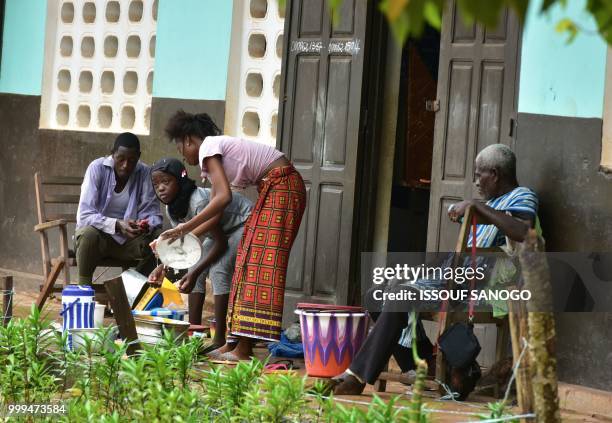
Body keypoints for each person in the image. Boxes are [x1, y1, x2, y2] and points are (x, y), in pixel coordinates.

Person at [332, 143, 539, 396]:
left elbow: (523, 232)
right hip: (455, 277)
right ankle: (425, 364)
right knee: (375, 295)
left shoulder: (523, 196)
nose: (475, 182)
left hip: (480, 287)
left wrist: (476, 207)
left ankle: (357, 376)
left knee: (400, 296)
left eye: (479, 175)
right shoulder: (492, 202)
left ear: (495, 174)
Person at [161, 111, 306, 361]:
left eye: (180, 148)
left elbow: (223, 198)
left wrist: (183, 229)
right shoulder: (214, 154)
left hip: (283, 187)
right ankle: (233, 343)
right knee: (244, 265)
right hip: (272, 189)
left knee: (257, 269)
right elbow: (215, 215)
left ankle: (243, 348)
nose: (182, 155)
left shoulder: (208, 148)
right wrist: (179, 238)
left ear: (188, 140)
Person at [147, 158, 253, 349]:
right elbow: (183, 246)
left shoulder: (198, 201)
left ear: (180, 180)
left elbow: (220, 244)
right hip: (220, 231)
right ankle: (193, 334)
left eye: (166, 181)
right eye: (156, 184)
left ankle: (220, 339)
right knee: (194, 268)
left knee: (218, 270)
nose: (160, 188)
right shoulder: (172, 208)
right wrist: (163, 267)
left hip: (243, 223)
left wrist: (194, 273)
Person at [75, 132, 162, 284]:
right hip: (98, 239)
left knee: (159, 238)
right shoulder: (97, 168)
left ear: (139, 156)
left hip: (129, 241)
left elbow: (153, 214)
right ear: (112, 153)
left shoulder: (145, 173)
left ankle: (134, 289)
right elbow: (85, 215)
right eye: (120, 159)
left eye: (132, 160)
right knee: (88, 235)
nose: (125, 165)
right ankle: (84, 290)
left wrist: (143, 225)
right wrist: (117, 224)